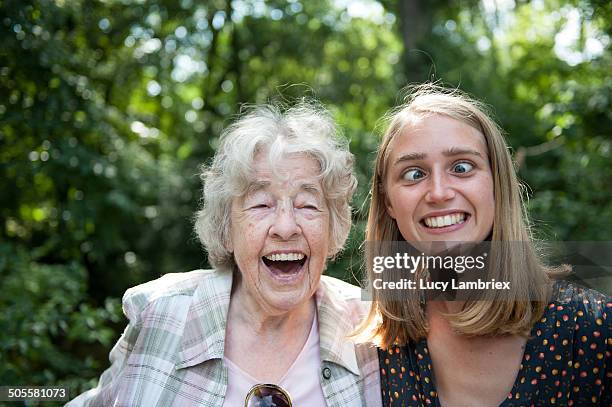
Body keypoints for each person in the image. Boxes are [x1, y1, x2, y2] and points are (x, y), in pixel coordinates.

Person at [68, 102, 381, 406]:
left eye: (307, 205)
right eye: (261, 204)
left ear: (333, 227)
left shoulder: (372, 327)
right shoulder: (161, 312)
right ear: (227, 227)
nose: (285, 228)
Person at [358, 84, 610, 406]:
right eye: (414, 173)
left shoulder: (590, 327)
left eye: (461, 167)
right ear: (389, 203)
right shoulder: (381, 344)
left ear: (496, 182)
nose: (438, 192)